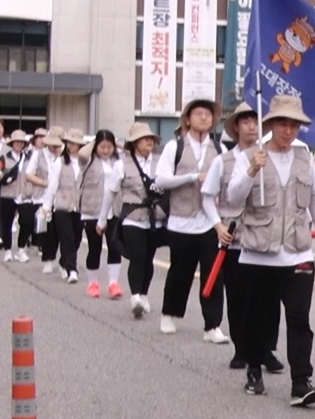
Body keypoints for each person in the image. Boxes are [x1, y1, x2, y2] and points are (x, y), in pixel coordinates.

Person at [225, 94, 315, 407]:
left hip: (296, 252)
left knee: (299, 318)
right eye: (283, 123)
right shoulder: (250, 156)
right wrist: (251, 171)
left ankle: (301, 382)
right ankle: (254, 370)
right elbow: (233, 198)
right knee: (257, 318)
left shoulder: (303, 155)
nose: (288, 130)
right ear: (270, 124)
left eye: (294, 124)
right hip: (258, 252)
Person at [207, 102, 282, 373]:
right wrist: (217, 226)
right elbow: (208, 196)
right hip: (235, 239)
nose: (252, 126)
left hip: (265, 237)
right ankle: (242, 348)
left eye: (255, 121)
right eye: (246, 121)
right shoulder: (224, 160)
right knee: (239, 297)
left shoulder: (272, 155)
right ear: (236, 126)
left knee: (270, 298)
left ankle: (266, 349)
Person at [153, 98, 228, 340]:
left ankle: (212, 325)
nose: (204, 118)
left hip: (209, 221)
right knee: (180, 272)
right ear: (187, 119)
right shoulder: (175, 147)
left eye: (208, 114)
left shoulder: (220, 149)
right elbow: (161, 180)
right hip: (180, 221)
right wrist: (193, 176)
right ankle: (169, 313)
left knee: (213, 274)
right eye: (198, 114)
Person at [113, 123, 165, 317]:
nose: (149, 141)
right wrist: (103, 219)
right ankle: (135, 296)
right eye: (145, 138)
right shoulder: (121, 164)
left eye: (151, 138)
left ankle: (144, 294)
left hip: (154, 217)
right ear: (135, 143)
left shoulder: (161, 162)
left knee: (148, 258)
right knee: (137, 257)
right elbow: (111, 192)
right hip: (132, 217)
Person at [38, 129, 90, 284]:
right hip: (61, 205)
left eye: (75, 143)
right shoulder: (59, 162)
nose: (71, 145)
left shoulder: (86, 163)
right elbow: (52, 185)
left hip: (79, 206)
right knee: (66, 237)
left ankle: (64, 262)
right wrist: (47, 206)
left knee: (77, 238)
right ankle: (72, 269)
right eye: (69, 142)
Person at [82, 130, 124, 298]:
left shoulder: (119, 161)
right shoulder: (88, 160)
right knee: (95, 247)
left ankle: (113, 283)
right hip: (93, 210)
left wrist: (116, 144)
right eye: (102, 147)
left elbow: (128, 150)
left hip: (114, 209)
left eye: (109, 147)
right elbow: (82, 152)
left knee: (115, 247)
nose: (106, 151)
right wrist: (94, 143)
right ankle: (93, 283)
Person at [25, 132, 60, 274]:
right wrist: (45, 183)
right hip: (42, 196)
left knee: (59, 231)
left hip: (59, 198)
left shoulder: (64, 157)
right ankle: (47, 259)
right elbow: (29, 174)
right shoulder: (38, 154)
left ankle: (63, 261)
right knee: (47, 231)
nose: (55, 147)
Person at [0, 130, 33, 261]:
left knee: (27, 221)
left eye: (21, 142)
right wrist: (5, 178)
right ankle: (8, 250)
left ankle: (21, 249)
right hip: (8, 193)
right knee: (7, 222)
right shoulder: (4, 158)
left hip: (24, 195)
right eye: (16, 142)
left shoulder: (29, 158)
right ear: (12, 143)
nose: (19, 144)